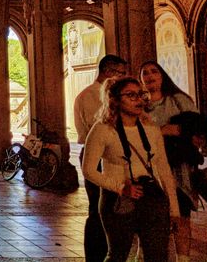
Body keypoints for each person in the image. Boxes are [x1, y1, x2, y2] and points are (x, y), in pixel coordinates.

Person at [82, 76, 180, 262]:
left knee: (158, 256)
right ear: (116, 100)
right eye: (131, 95)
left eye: (141, 94)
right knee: (117, 255)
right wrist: (120, 187)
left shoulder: (150, 128)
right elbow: (88, 170)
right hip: (118, 199)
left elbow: (164, 168)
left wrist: (174, 210)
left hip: (151, 196)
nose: (138, 100)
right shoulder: (103, 129)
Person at [139, 61, 198, 262]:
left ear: (163, 75)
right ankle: (144, 254)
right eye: (144, 73)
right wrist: (162, 131)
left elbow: (198, 130)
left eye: (153, 71)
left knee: (181, 216)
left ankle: (183, 258)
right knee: (150, 217)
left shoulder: (178, 100)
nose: (149, 76)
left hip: (178, 168)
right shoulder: (140, 105)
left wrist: (179, 131)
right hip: (149, 169)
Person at [74, 54, 127, 262]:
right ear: (108, 72)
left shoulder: (96, 94)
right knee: (99, 208)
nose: (124, 77)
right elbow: (104, 130)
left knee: (108, 206)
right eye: (121, 73)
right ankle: (97, 255)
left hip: (105, 155)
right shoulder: (92, 96)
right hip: (97, 157)